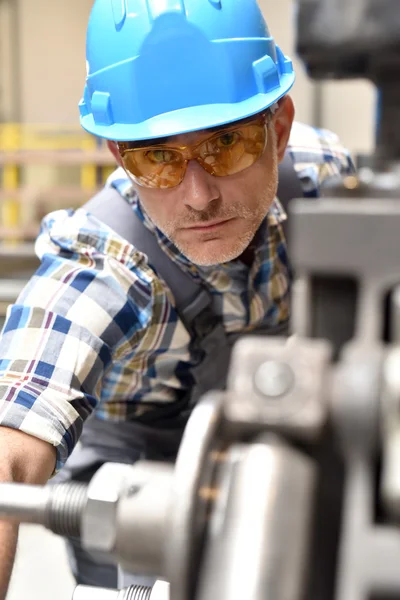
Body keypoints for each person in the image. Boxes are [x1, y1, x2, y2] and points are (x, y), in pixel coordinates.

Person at [0, 0, 355, 595]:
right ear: (120, 157)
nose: (197, 196)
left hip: (271, 474)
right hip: (130, 511)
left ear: (281, 127)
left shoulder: (323, 183)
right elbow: (9, 450)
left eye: (227, 145)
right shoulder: (103, 265)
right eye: (158, 158)